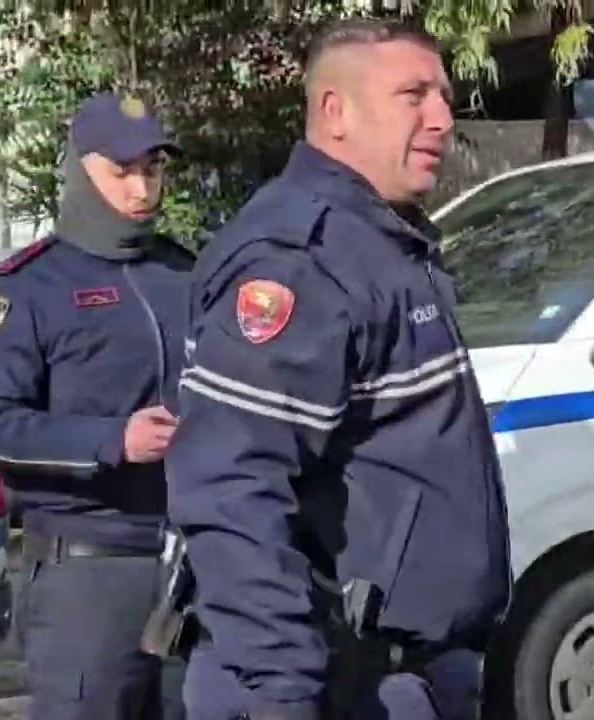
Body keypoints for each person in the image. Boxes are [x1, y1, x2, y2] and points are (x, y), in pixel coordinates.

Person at [165, 18, 511, 720]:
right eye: (413, 95)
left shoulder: (381, 242)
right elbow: (232, 489)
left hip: (405, 672)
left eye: (443, 97)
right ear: (336, 112)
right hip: (332, 684)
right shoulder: (300, 260)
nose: (441, 119)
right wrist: (282, 693)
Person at [0, 91, 192, 720]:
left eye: (152, 169)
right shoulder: (31, 286)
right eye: (122, 171)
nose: (141, 188)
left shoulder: (184, 274)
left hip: (193, 563)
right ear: (81, 170)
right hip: (87, 574)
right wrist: (113, 440)